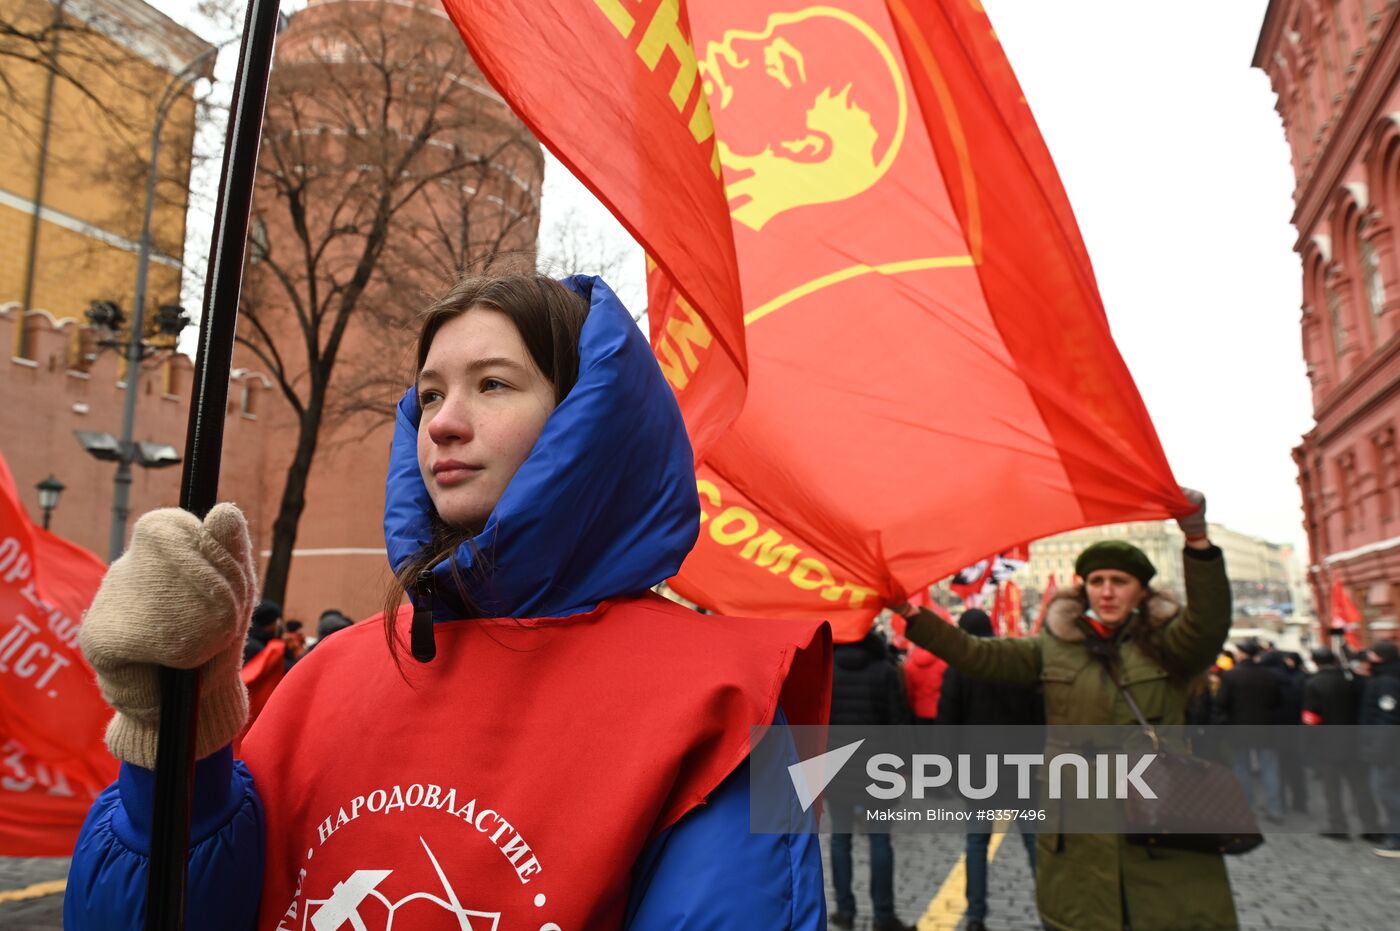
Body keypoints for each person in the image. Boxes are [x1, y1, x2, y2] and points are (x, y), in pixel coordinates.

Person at [65, 274, 832, 929]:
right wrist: (173, 743)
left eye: (492, 384)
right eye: (429, 393)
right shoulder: (327, 676)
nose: (443, 422)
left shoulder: (729, 702)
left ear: (587, 414)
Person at [894, 490, 1238, 931]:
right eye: (1097, 581)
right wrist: (910, 613)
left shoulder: (1170, 646)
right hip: (1076, 824)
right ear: (1085, 589)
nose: (1107, 591)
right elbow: (976, 654)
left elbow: (1210, 621)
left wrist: (1196, 537)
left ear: (1140, 590)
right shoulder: (1053, 647)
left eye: (1120, 581)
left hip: (1158, 817)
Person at [935, 608, 1040, 931]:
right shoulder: (1015, 661)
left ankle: (976, 916)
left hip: (977, 771)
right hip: (1022, 768)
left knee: (977, 843)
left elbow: (946, 727)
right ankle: (1052, 910)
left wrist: (948, 771)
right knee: (1034, 841)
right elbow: (1040, 716)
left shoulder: (959, 669)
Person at [825, 629, 916, 931]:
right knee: (879, 839)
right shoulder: (884, 670)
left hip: (836, 767)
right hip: (879, 769)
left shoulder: (828, 669)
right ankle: (883, 915)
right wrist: (904, 767)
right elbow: (899, 723)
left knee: (840, 838)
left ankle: (845, 911)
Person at [1302, 646, 1379, 840]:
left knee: (1332, 789)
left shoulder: (1314, 683)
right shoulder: (1352, 680)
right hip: (1354, 740)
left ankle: (1338, 826)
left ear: (1315, 661)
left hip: (1327, 743)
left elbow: (1311, 718)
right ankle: (1372, 827)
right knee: (1361, 787)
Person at [1219, 638, 1285, 821]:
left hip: (1239, 729)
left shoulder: (1231, 675)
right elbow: (1277, 701)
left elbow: (1223, 703)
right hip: (1266, 728)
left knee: (1242, 769)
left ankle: (1247, 807)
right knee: (1270, 769)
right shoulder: (1269, 675)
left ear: (1241, 654)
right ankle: (1275, 809)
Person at [1360, 640, 1400, 857]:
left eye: (1371, 654)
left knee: (1387, 791)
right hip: (1388, 748)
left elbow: (1387, 720)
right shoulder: (1385, 677)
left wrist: (1379, 751)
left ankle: (1397, 839)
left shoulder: (1387, 681)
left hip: (1389, 750)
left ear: (1380, 657)